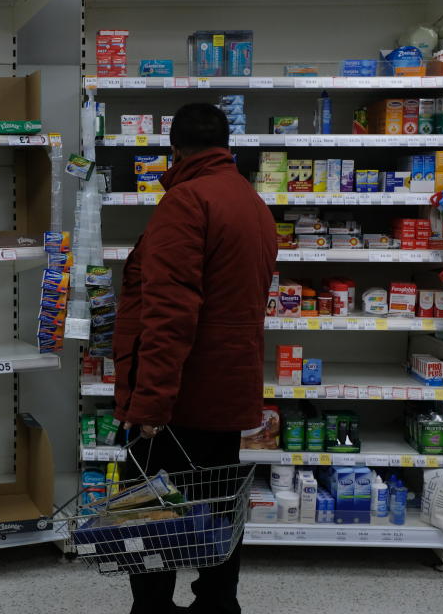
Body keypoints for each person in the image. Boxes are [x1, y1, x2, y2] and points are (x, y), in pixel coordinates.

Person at [112, 103, 277, 614]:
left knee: (149, 511)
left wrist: (151, 405)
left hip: (182, 396)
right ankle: (218, 606)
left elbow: (169, 315)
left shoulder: (185, 203)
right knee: (218, 507)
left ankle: (154, 609)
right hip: (228, 390)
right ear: (225, 145)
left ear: (175, 149)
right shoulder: (251, 201)